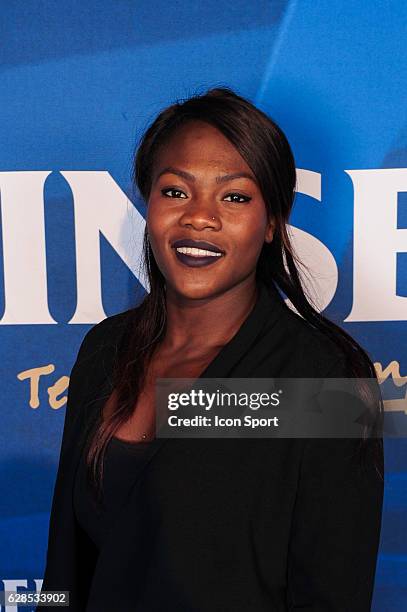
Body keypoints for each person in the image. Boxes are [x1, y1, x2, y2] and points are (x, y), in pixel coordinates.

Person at [37, 87, 384, 611]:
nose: (200, 217)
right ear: (148, 206)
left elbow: (332, 594)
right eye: (175, 191)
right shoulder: (105, 349)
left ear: (272, 222)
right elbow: (65, 562)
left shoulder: (325, 381)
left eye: (235, 197)